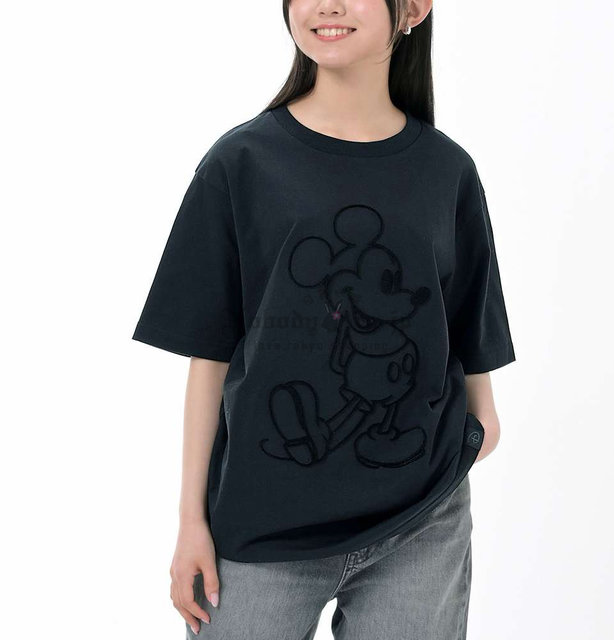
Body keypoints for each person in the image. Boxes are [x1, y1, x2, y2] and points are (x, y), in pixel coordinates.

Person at [132, 0, 516, 637]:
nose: (326, 5)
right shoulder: (241, 162)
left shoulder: (448, 170)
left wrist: (474, 431)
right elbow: (211, 350)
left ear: (413, 7)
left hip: (420, 523)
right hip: (264, 522)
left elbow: (471, 331)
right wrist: (191, 521)